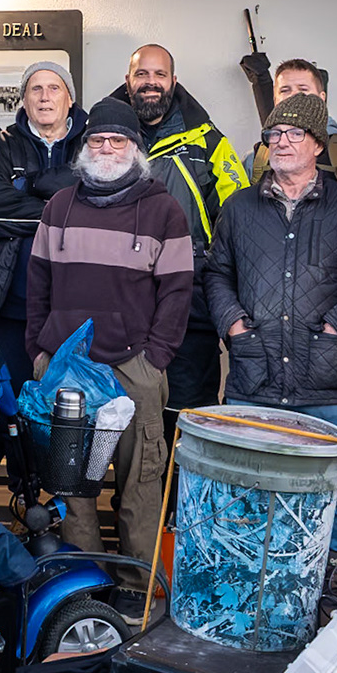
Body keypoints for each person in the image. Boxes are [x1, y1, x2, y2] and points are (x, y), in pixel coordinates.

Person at [205, 93, 337, 616]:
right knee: (251, 487)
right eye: (272, 135)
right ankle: (258, 591)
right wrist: (235, 328)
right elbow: (216, 274)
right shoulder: (239, 208)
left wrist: (336, 326)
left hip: (326, 377)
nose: (279, 143)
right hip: (254, 375)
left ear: (317, 145)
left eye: (292, 134)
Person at [25, 98, 193, 558]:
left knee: (139, 485)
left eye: (117, 140)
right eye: (97, 139)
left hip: (134, 368)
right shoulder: (58, 206)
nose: (106, 148)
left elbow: (178, 294)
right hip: (65, 370)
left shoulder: (164, 212)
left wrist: (155, 359)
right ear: (84, 147)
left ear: (135, 148)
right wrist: (40, 353)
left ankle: (138, 590)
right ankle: (86, 589)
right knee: (73, 489)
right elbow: (36, 283)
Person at [107, 44, 250, 427]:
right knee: (125, 412)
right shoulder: (105, 137)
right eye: (142, 74)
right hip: (121, 299)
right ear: (128, 81)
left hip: (191, 300)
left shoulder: (209, 141)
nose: (150, 83)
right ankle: (135, 490)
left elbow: (240, 214)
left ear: (173, 81)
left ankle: (183, 490)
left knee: (189, 412)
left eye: (159, 75)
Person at [0, 61, 87, 389]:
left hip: (78, 307)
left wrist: (28, 186)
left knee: (72, 408)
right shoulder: (1, 144)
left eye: (54, 88)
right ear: (24, 100)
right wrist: (66, 204)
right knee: (14, 406)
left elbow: (100, 211)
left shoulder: (93, 144)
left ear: (70, 99)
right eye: (35, 89)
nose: (44, 97)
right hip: (13, 305)